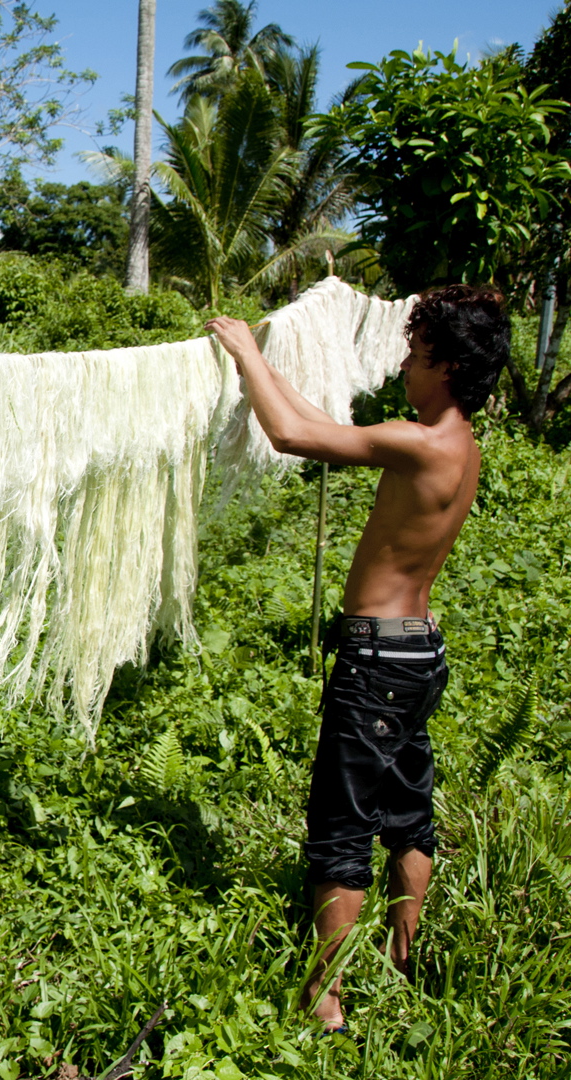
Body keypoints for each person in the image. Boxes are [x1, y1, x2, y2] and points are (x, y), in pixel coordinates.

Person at [206, 285, 510, 1034]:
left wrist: (243, 353)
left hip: (376, 664)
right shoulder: (456, 442)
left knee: (340, 829)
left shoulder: (419, 441)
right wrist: (267, 366)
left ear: (441, 364)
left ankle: (324, 1000)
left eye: (412, 354)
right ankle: (405, 958)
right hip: (416, 658)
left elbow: (288, 437)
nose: (403, 365)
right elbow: (319, 424)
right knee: (407, 814)